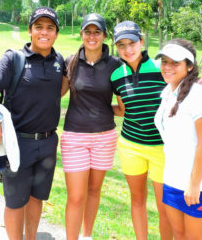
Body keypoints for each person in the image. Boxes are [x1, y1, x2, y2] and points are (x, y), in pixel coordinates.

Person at [0, 7, 65, 240]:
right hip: (18, 143)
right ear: (29, 31)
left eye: (50, 28)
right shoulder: (13, 59)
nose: (44, 32)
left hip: (47, 143)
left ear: (56, 33)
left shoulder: (60, 62)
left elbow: (60, 90)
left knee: (37, 198)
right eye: (39, 27)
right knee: (16, 202)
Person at [154, 39, 202, 239]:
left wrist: (194, 184)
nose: (167, 67)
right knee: (178, 233)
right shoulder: (167, 92)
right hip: (172, 178)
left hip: (199, 183)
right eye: (165, 61)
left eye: (175, 63)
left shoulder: (200, 95)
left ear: (190, 66)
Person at [60, 13, 123, 240]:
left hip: (105, 137)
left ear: (105, 36)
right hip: (75, 137)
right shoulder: (70, 61)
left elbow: (123, 106)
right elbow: (58, 92)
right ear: (81, 34)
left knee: (94, 191)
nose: (92, 36)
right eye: (88, 31)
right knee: (76, 196)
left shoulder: (116, 65)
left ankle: (87, 236)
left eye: (97, 32)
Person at [110, 21, 172, 240]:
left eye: (132, 43)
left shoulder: (161, 67)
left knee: (165, 207)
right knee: (137, 200)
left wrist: (200, 82)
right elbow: (124, 110)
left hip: (162, 149)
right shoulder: (116, 75)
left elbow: (185, 85)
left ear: (142, 42)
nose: (128, 49)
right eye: (122, 45)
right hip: (130, 146)